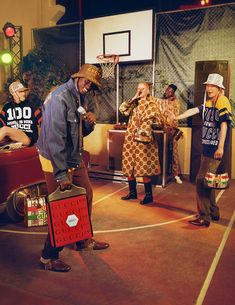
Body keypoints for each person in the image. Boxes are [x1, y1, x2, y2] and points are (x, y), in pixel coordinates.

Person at [37, 64, 109, 272]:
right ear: (77, 77)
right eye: (87, 82)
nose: (88, 87)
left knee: (85, 195)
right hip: (54, 160)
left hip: (72, 158)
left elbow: (76, 134)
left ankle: (83, 240)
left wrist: (89, 124)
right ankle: (48, 257)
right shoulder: (59, 98)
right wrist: (61, 175)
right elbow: (54, 139)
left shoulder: (78, 96)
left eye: (92, 84)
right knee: (60, 206)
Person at [175, 73, 232, 227]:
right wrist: (177, 117)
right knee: (209, 180)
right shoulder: (208, 103)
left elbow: (225, 124)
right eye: (208, 85)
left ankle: (204, 217)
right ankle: (213, 212)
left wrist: (220, 147)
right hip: (207, 149)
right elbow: (193, 111)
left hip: (214, 149)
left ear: (220, 88)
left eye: (212, 86)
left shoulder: (222, 100)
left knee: (201, 181)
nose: (209, 88)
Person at [119, 81, 164, 205]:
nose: (140, 91)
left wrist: (150, 126)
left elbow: (160, 120)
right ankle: (132, 192)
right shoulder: (134, 103)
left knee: (144, 167)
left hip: (144, 140)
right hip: (130, 139)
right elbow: (122, 110)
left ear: (148, 90)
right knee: (129, 166)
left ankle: (149, 195)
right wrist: (134, 97)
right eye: (138, 89)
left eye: (142, 89)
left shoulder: (153, 103)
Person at [0, 81, 42, 146]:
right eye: (20, 92)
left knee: (5, 130)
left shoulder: (31, 105)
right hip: (12, 140)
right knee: (4, 131)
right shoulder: (6, 108)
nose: (23, 93)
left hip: (28, 139)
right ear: (13, 93)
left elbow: (43, 122)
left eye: (24, 91)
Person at [162, 84, 182, 184]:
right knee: (162, 152)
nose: (167, 92)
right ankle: (162, 173)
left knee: (174, 154)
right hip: (163, 130)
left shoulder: (176, 102)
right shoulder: (161, 101)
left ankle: (175, 175)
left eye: (170, 91)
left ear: (173, 93)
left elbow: (175, 116)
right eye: (167, 90)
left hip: (172, 130)